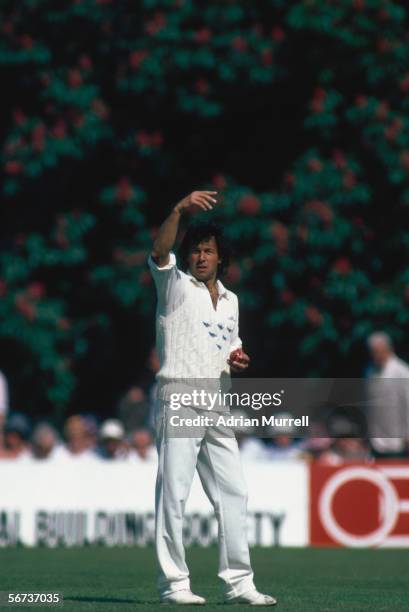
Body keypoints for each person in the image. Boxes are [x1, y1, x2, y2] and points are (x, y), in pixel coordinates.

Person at [148, 190, 276, 606]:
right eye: (196, 251)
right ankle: (175, 585)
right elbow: (160, 248)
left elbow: (229, 346)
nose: (200, 257)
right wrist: (178, 208)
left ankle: (239, 583)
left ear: (221, 258)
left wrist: (237, 358)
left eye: (208, 251)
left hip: (218, 402)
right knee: (175, 494)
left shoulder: (232, 301)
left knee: (234, 492)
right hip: (181, 397)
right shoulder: (175, 286)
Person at [366, 331, 409, 457]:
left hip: (398, 442)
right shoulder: (369, 371)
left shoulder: (402, 372)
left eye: (378, 351)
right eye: (373, 352)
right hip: (375, 441)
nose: (375, 355)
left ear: (389, 349)